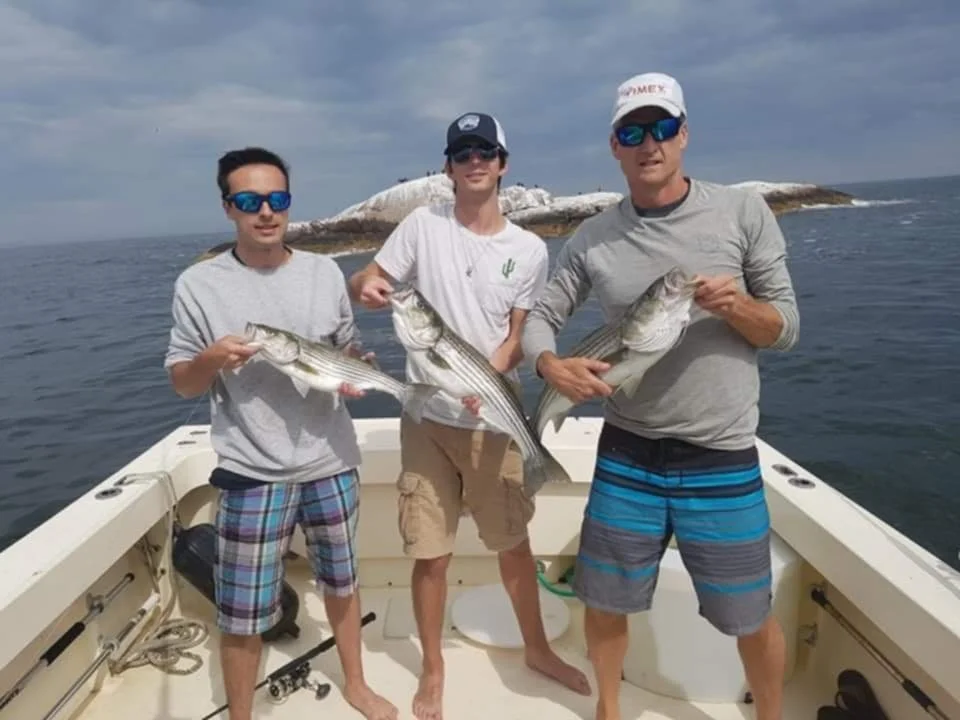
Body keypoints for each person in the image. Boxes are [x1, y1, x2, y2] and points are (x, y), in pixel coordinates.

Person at [521, 73, 800, 720]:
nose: (650, 143)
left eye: (663, 127)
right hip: (628, 453)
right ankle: (609, 710)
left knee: (749, 613)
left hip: (721, 453)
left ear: (685, 134)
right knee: (605, 600)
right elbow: (542, 312)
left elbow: (784, 328)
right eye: (632, 132)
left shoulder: (742, 212)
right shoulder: (594, 236)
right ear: (615, 147)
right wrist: (548, 364)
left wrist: (742, 308)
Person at [348, 113, 591, 720]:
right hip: (426, 417)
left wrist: (493, 370)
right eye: (462, 153)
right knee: (429, 552)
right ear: (450, 168)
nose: (474, 160)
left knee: (512, 542)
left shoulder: (529, 249)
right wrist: (367, 286)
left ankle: (536, 648)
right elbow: (369, 280)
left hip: (493, 414)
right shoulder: (421, 226)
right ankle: (433, 668)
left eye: (485, 150)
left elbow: (517, 334)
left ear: (503, 163)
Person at [164, 147, 397, 720]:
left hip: (331, 461)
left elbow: (342, 352)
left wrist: (351, 370)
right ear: (228, 208)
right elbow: (182, 384)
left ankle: (357, 684)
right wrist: (213, 359)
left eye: (277, 199)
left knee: (342, 584)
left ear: (289, 204)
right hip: (251, 472)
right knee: (241, 612)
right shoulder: (198, 285)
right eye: (249, 201)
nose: (265, 212)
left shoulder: (323, 273)